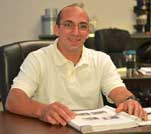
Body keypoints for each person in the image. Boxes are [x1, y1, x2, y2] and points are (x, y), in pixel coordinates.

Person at [5, 4, 147, 126]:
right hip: (49, 128)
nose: (76, 32)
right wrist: (42, 110)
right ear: (56, 29)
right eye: (68, 25)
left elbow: (118, 91)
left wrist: (129, 101)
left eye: (82, 26)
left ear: (87, 32)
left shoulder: (101, 59)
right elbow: (13, 100)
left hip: (90, 129)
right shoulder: (37, 59)